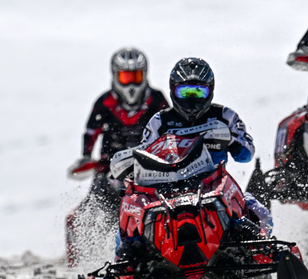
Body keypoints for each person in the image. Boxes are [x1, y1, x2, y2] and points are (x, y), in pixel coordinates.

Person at [132, 57, 272, 235]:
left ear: (210, 90)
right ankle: (123, 258)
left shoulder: (225, 115)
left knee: (261, 213)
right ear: (173, 90)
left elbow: (246, 155)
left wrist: (231, 140)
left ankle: (262, 254)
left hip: (215, 187)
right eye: (185, 92)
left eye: (198, 92)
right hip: (167, 192)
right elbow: (142, 158)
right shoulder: (159, 121)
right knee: (132, 215)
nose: (192, 100)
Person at [66, 47, 169, 265]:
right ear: (114, 75)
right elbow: (91, 131)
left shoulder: (157, 100)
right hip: (109, 169)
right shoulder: (104, 102)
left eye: (136, 76)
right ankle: (80, 262)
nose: (131, 83)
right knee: (87, 213)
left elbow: (170, 128)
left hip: (150, 168)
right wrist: (86, 156)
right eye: (125, 77)